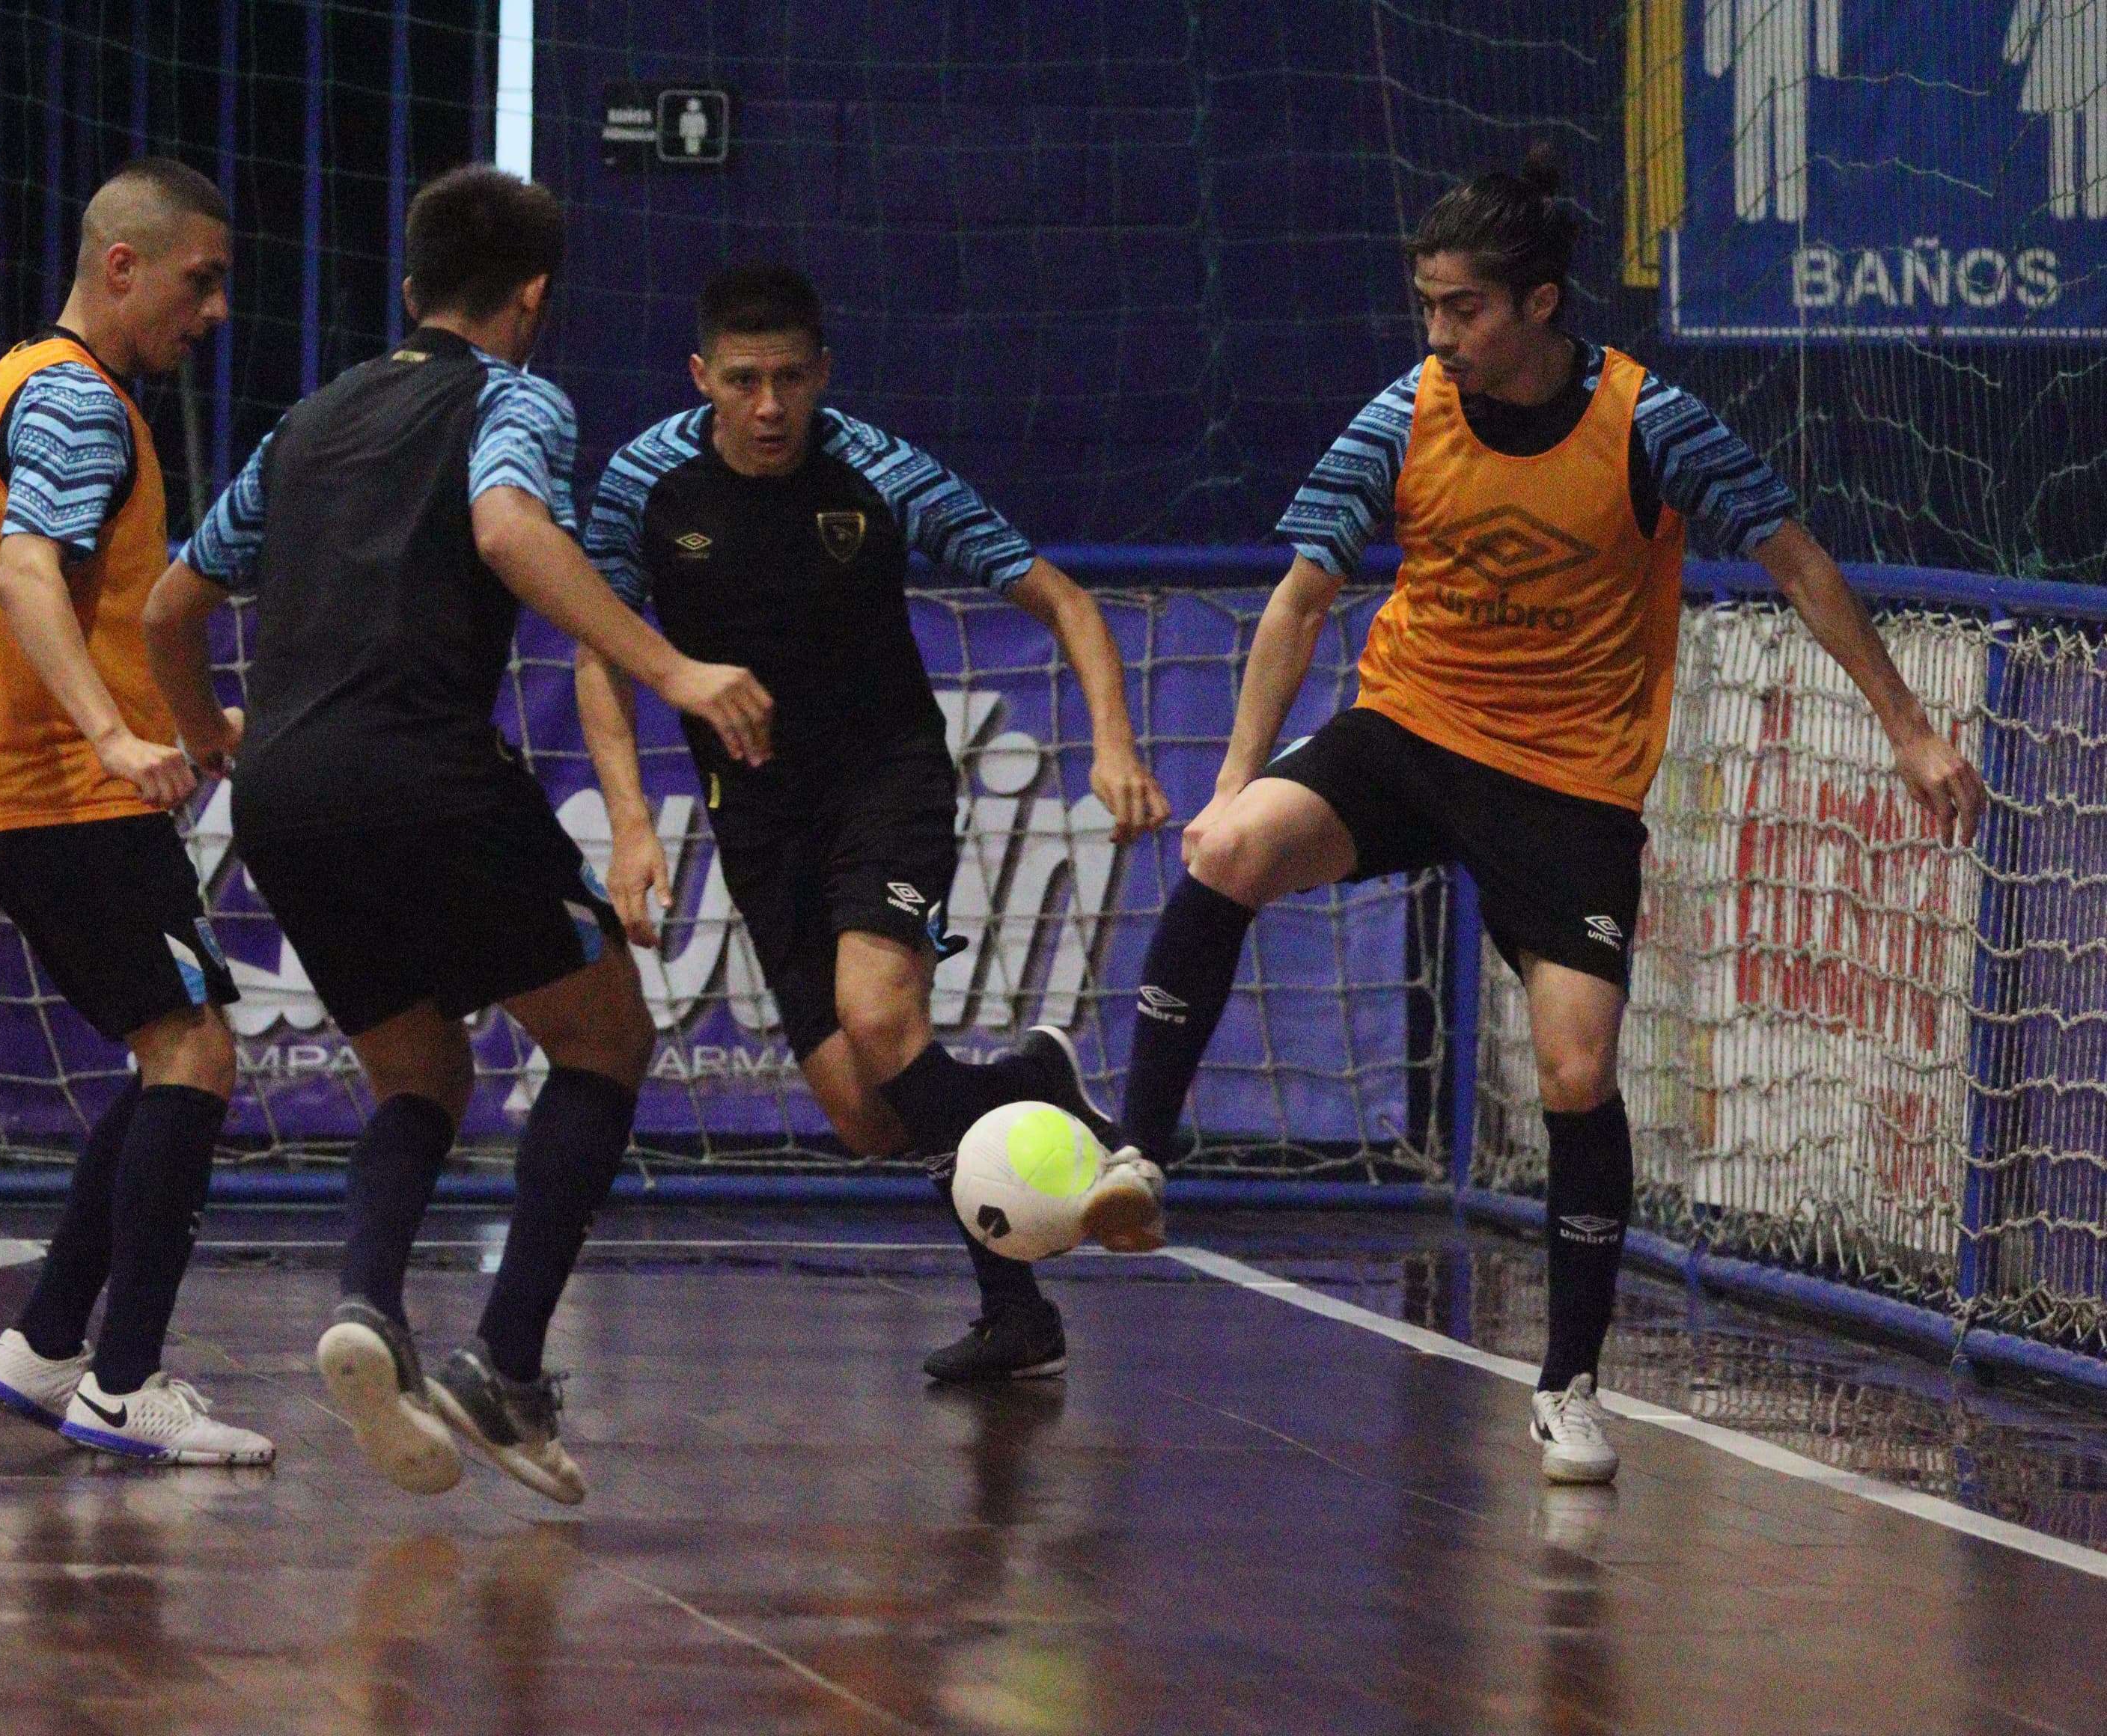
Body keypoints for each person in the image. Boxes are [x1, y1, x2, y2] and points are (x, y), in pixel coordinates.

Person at [1114, 145, 1985, 1484]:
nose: (1439, 334)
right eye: (1428, 308)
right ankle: (1138, 1156)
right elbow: (1299, 599)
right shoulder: (1406, 412)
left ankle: (1573, 1385)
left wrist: (1912, 731)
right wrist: (1235, 776)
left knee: (1579, 1072)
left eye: (1462, 308)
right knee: (1228, 851)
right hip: (1410, 729)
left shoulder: (1651, 424)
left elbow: (1800, 565)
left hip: (1568, 781)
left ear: (1539, 304)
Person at [142, 165, 773, 1505]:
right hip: (422, 770)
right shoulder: (513, 396)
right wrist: (674, 672)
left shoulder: (305, 424)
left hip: (286, 796)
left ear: (414, 284)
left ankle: (368, 1309)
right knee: (607, 1038)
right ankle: (506, 1367)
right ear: (532, 298)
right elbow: (504, 525)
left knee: (418, 1073)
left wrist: (210, 736)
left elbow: (168, 607)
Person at [578, 264, 1172, 1386]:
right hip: (755, 816)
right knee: (868, 1114)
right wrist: (627, 824)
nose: (768, 408)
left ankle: (1092, 1162)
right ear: (702, 376)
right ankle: (1029, 1203)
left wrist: (1114, 744)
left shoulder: (882, 472)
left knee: (879, 1017)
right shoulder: (643, 484)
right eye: (743, 381)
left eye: (790, 380)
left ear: (823, 375)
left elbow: (1066, 601)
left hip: (884, 782)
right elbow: (600, 652)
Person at [0, 158, 270, 1465]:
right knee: (196, 1053)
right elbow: (19, 573)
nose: (216, 309)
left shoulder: (14, 382)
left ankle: (49, 1341)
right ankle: (126, 1390)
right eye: (201, 280)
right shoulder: (77, 405)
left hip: (15, 782)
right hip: (69, 790)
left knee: (169, 1043)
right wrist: (120, 734)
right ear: (121, 267)